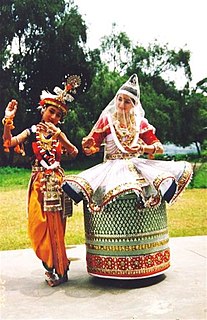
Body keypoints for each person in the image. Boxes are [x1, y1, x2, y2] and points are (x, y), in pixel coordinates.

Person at [62, 74, 193, 212]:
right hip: (111, 167)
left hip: (136, 165)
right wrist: (88, 147)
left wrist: (142, 148)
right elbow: (93, 148)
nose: (121, 105)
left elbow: (159, 148)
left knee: (158, 182)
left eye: (126, 101)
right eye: (119, 99)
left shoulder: (140, 123)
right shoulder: (106, 121)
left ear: (134, 104)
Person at [2, 75, 81, 287]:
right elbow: (8, 142)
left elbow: (74, 153)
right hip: (38, 183)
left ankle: (59, 270)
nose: (53, 116)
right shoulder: (32, 131)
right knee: (38, 225)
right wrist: (8, 121)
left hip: (56, 183)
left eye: (58, 114)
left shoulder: (58, 134)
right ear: (43, 109)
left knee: (57, 227)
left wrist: (62, 137)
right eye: (51, 111)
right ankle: (49, 263)